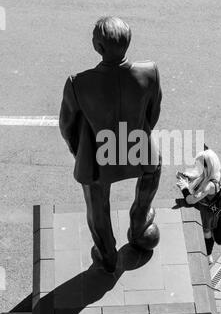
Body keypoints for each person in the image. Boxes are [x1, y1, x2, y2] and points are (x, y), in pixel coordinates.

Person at [59, 17, 162, 273]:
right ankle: (140, 227)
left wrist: (79, 151)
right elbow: (153, 114)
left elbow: (67, 126)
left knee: (97, 204)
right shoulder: (149, 72)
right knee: (152, 171)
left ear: (98, 47)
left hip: (97, 155)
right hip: (137, 147)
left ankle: (107, 254)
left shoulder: (78, 83)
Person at [176, 149, 221, 265]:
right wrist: (189, 176)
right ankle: (208, 254)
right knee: (207, 232)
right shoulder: (217, 173)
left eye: (201, 165)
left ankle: (208, 255)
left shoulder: (209, 186)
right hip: (211, 209)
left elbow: (190, 200)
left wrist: (183, 186)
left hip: (205, 212)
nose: (199, 167)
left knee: (206, 232)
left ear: (207, 166)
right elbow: (202, 176)